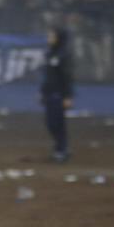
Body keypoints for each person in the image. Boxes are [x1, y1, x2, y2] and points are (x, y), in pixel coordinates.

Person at [40, 27, 74, 162]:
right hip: (49, 93)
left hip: (59, 95)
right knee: (50, 123)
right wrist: (42, 92)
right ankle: (60, 147)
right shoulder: (49, 54)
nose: (49, 39)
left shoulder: (63, 55)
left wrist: (68, 96)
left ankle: (62, 150)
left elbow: (67, 77)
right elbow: (47, 76)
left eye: (52, 36)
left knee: (58, 123)